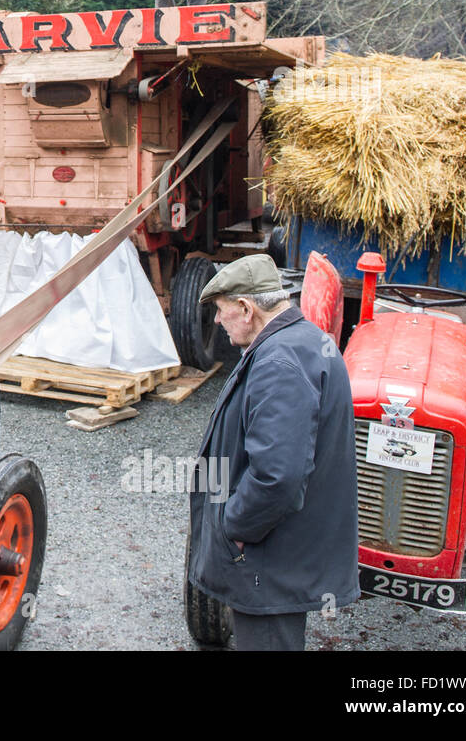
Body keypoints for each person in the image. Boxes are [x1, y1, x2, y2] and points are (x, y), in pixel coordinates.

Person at [186, 254, 359, 651]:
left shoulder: (279, 361)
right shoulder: (299, 342)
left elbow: (276, 475)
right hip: (278, 555)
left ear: (247, 309)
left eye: (221, 310)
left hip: (267, 561)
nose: (216, 321)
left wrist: (235, 530)